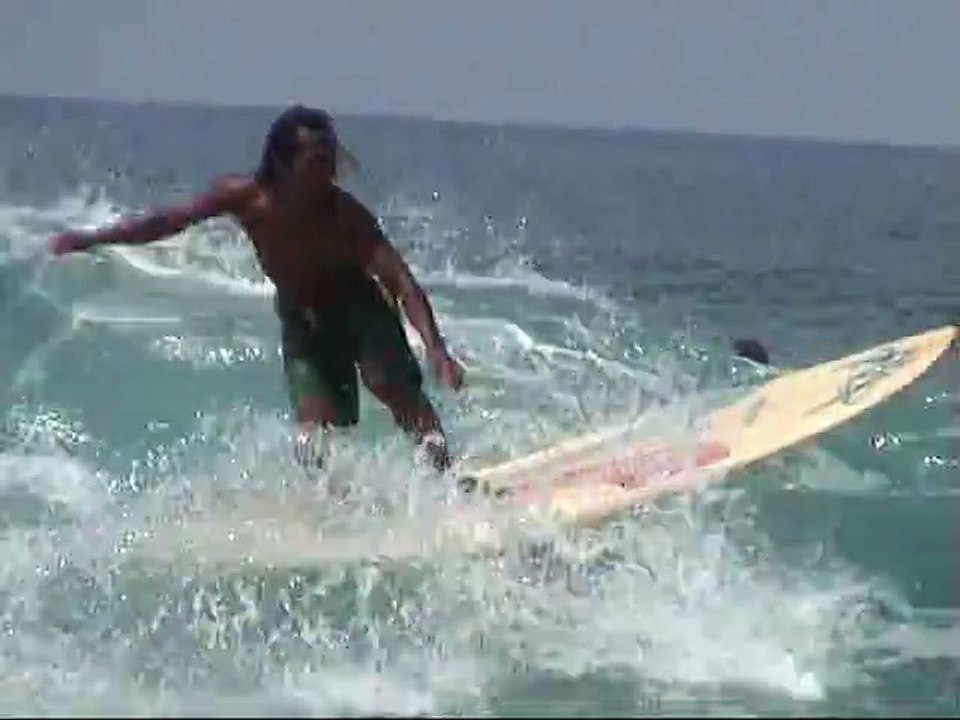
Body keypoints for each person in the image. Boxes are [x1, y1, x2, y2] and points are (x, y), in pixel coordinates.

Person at [48, 104, 464, 472]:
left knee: (391, 386)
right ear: (282, 164)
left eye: (330, 158)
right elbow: (168, 220)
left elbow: (401, 282)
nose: (329, 170)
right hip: (302, 314)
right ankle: (333, 508)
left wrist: (437, 349)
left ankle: (444, 476)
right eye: (316, 161)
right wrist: (94, 238)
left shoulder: (345, 217)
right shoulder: (247, 198)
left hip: (358, 307)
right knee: (311, 426)